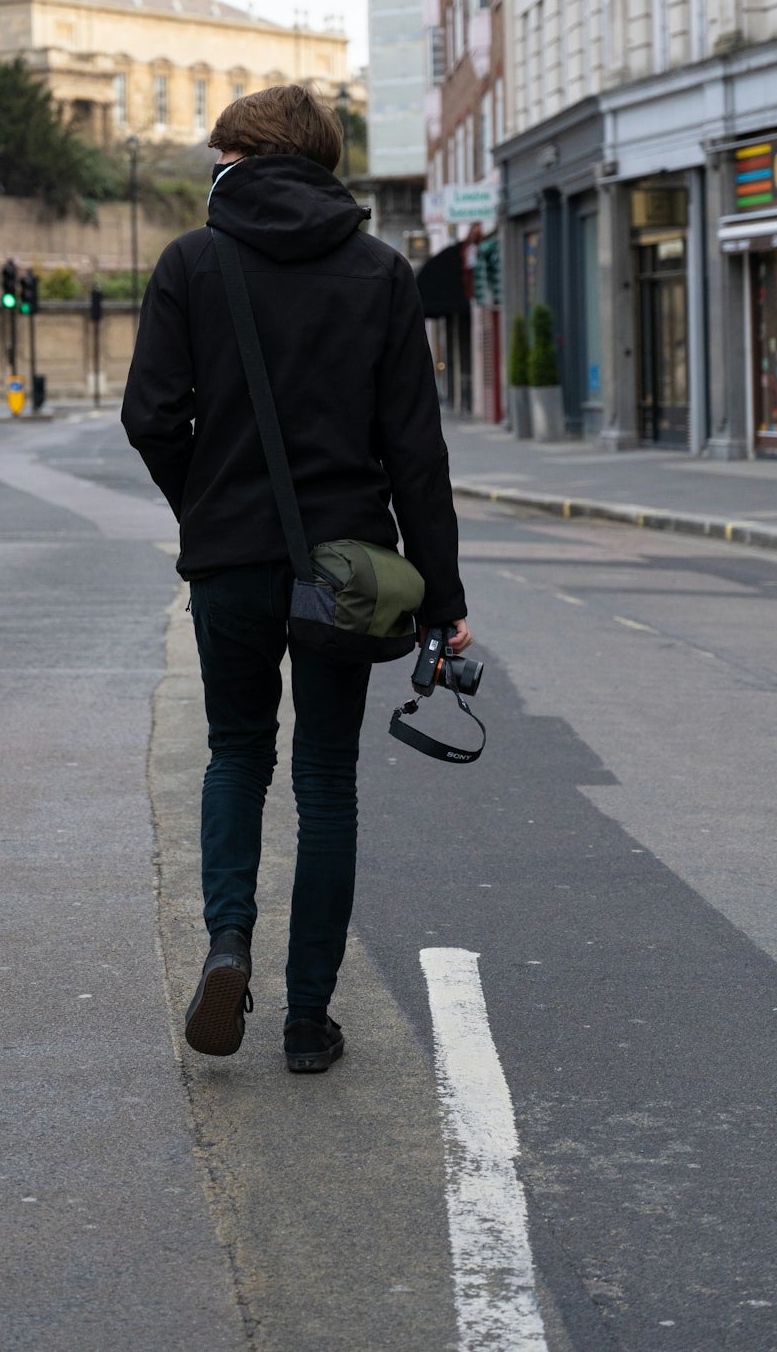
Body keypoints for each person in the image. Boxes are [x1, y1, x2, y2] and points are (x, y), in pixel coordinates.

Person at [122, 85, 470, 1075]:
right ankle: (309, 1019)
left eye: (217, 150)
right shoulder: (380, 271)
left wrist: (209, 509)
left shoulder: (192, 262)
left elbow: (151, 417)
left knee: (236, 753)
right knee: (326, 780)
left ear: (241, 153)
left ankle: (229, 941)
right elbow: (415, 452)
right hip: (349, 571)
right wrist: (442, 600)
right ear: (322, 163)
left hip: (230, 562)